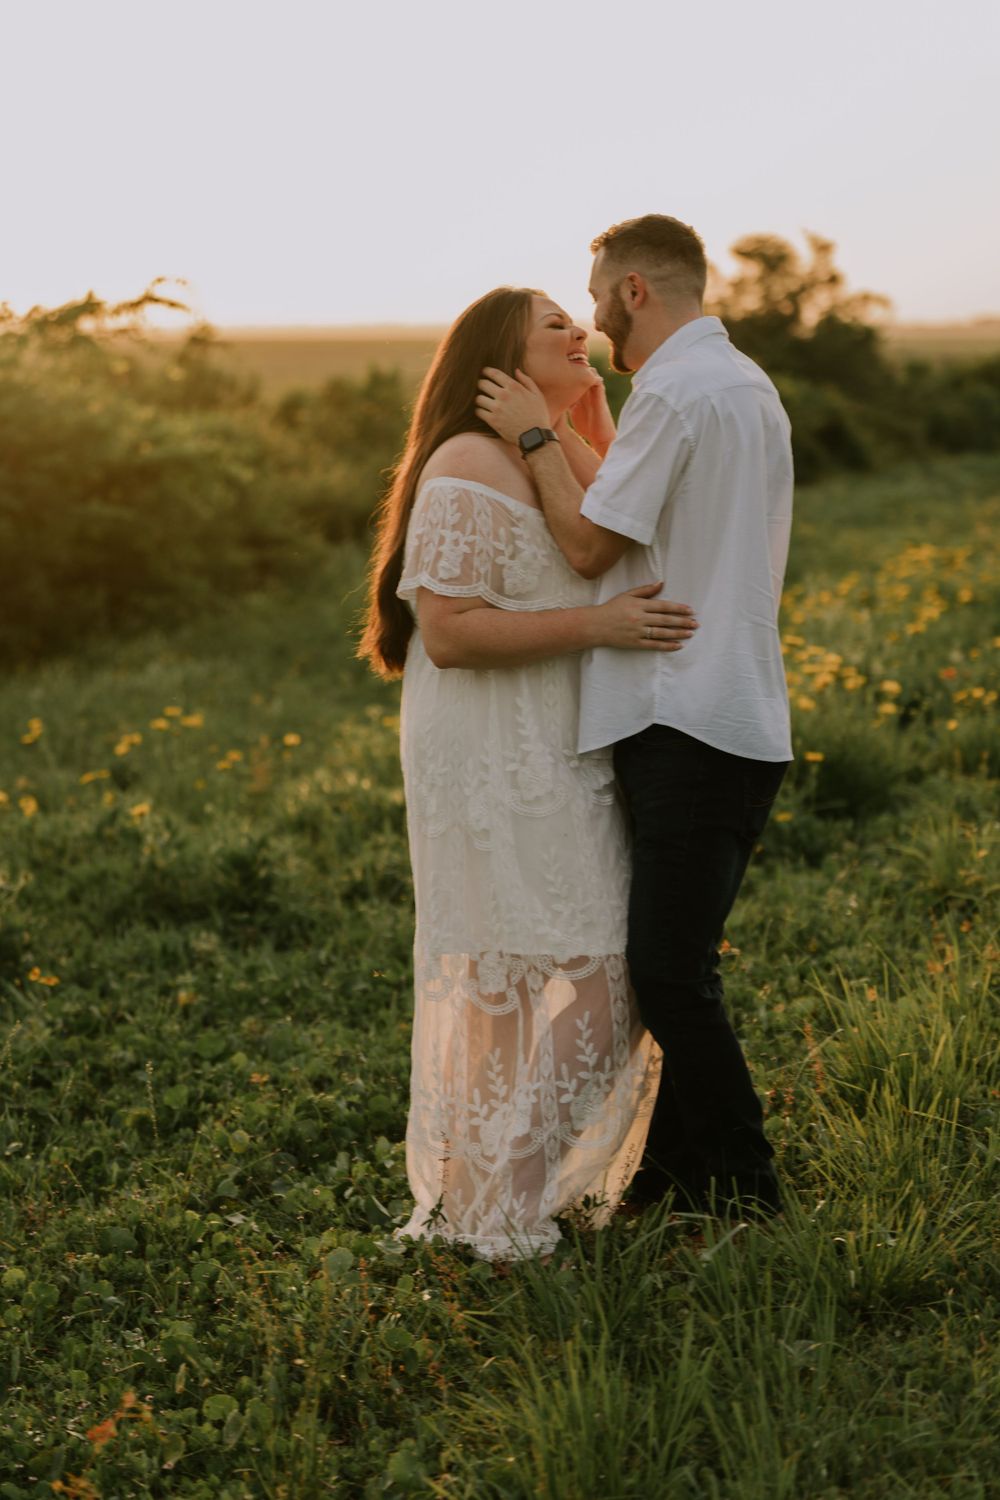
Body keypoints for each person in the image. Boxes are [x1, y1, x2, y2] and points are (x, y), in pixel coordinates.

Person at [358, 285, 698, 1259]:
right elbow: (450, 634)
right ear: (498, 362)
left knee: (533, 969)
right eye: (555, 324)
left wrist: (585, 421)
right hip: (491, 744)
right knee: (598, 970)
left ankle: (483, 1199)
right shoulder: (467, 461)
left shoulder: (537, 450)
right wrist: (601, 625)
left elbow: (618, 536)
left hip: (555, 740)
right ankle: (504, 1201)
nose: (579, 331)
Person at [477, 215, 794, 1219]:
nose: (593, 319)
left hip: (683, 715)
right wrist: (576, 431)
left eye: (596, 296)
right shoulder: (742, 384)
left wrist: (532, 435)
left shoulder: (673, 390)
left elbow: (586, 547)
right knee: (672, 968)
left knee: (667, 973)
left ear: (633, 291)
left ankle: (752, 1192)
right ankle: (668, 1191)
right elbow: (641, 508)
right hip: (734, 709)